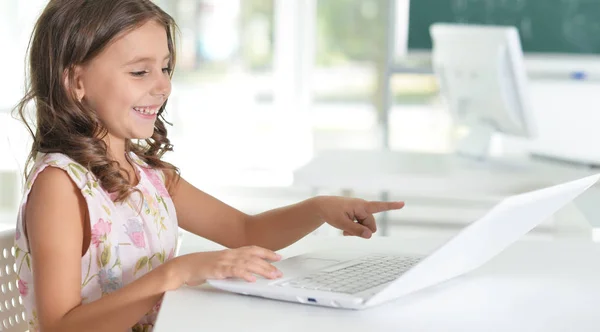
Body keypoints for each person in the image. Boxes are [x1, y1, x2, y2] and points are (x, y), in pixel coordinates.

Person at [12, 0, 405, 331]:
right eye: (139, 71)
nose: (163, 85)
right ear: (75, 82)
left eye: (165, 68)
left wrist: (318, 208)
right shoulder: (60, 187)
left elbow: (244, 230)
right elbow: (60, 326)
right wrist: (176, 273)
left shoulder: (150, 177)